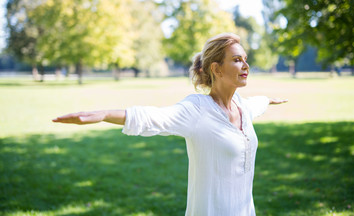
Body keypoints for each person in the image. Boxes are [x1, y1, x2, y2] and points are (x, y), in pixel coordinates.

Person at [53, 32, 287, 216]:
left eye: (245, 59)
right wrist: (104, 114)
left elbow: (256, 104)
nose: (246, 65)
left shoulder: (241, 105)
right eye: (237, 60)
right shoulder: (196, 110)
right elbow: (153, 117)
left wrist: (268, 100)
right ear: (216, 68)